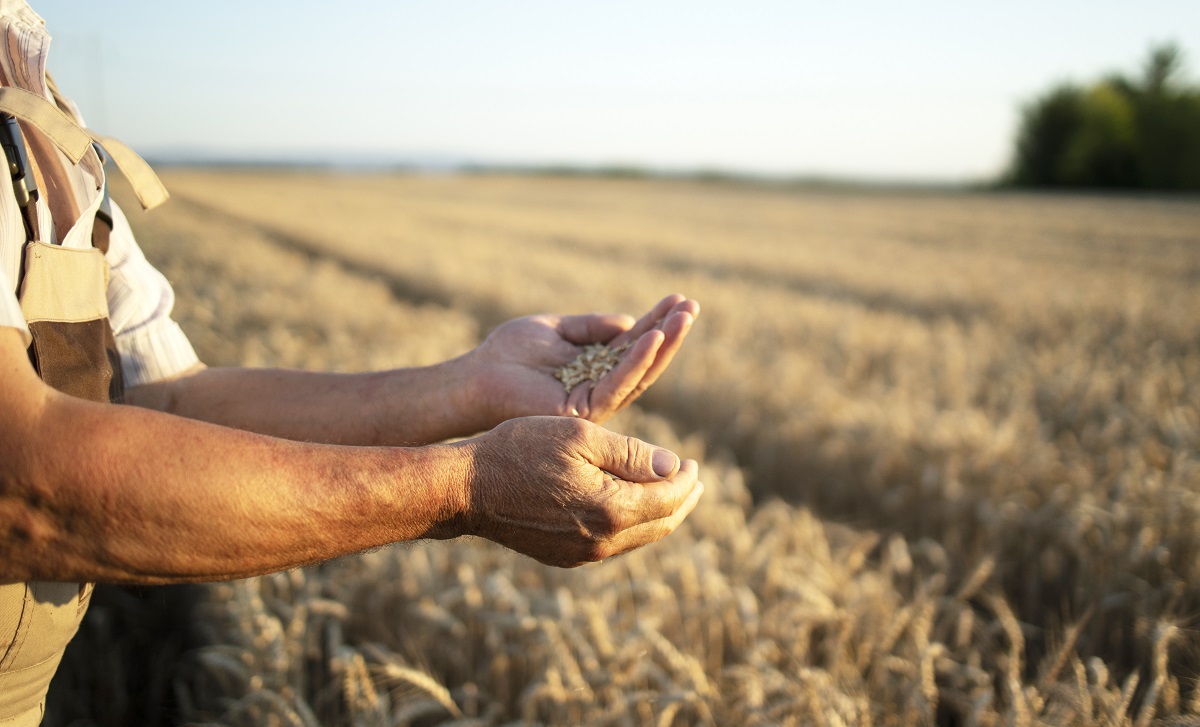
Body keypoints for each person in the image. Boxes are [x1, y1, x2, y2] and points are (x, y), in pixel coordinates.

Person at [0, 2, 702, 724]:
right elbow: (20, 476)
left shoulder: (36, 96)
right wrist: (466, 486)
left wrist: (469, 383)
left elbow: (164, 396)